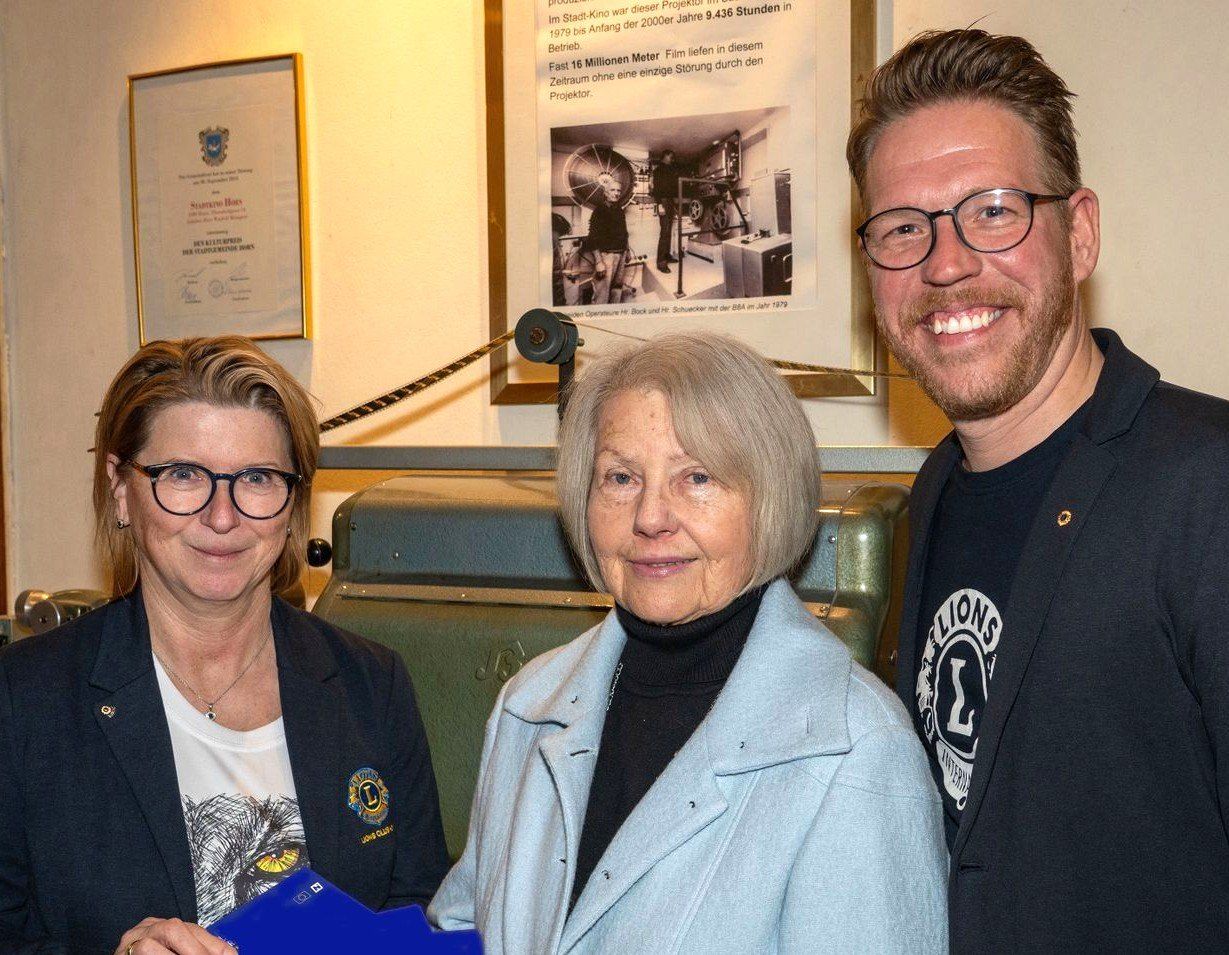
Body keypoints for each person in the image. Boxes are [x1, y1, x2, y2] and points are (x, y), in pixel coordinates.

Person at [847, 28, 1229, 951]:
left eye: (992, 211)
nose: (944, 264)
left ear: (1079, 232)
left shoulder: (1205, 487)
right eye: (902, 227)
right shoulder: (933, 493)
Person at [429, 332, 946, 953]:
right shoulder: (527, 705)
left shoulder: (856, 746)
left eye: (696, 477)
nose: (650, 517)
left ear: (771, 498)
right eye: (621, 477)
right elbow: (465, 925)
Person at [0, 337, 450, 954]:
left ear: (293, 502)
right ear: (120, 488)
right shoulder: (23, 701)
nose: (222, 517)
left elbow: (422, 917)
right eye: (184, 475)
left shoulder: (371, 684)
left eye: (257, 478)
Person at [581, 176, 630, 305]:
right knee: (602, 294)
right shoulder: (600, 211)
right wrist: (599, 262)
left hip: (621, 253)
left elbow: (624, 232)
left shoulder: (619, 209)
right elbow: (592, 237)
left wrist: (627, 251)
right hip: (607, 256)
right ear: (606, 193)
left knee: (617, 288)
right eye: (612, 190)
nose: (616, 193)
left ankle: (613, 312)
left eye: (618, 190)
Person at [651, 149, 680, 272]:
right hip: (663, 201)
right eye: (671, 156)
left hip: (669, 201)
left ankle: (667, 256)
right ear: (664, 156)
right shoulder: (658, 170)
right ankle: (661, 262)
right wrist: (659, 205)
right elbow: (656, 190)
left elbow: (671, 189)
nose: (672, 159)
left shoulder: (670, 170)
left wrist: (673, 205)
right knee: (665, 232)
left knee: (668, 231)